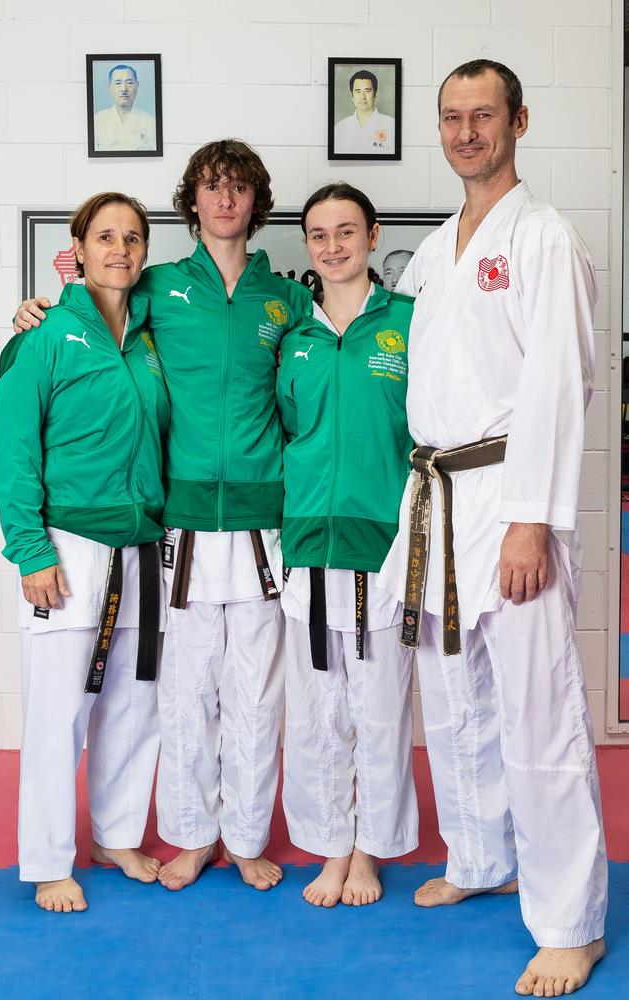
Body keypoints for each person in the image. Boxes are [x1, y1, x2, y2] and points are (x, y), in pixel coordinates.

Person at [14, 139, 312, 894]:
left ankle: (243, 838)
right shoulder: (156, 291)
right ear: (191, 203)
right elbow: (84, 318)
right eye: (210, 186)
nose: (224, 199)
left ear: (255, 201)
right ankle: (187, 836)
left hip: (254, 523)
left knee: (246, 695)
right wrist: (36, 311)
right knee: (179, 695)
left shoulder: (288, 300)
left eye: (238, 187)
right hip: (172, 527)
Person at [379, 59, 607, 996]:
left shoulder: (542, 236)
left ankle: (569, 921)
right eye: (452, 118)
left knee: (536, 705)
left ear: (518, 121)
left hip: (508, 491)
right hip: (436, 493)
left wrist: (530, 523)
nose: (466, 131)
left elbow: (559, 384)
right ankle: (481, 855)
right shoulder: (438, 248)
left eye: (484, 116)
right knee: (456, 695)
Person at [0, 192, 170, 913]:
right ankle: (46, 860)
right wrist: (31, 551)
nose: (119, 249)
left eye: (132, 237)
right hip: (68, 542)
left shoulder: (153, 332)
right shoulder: (46, 333)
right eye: (105, 236)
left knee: (134, 705)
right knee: (59, 708)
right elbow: (12, 453)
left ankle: (117, 834)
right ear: (79, 246)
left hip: (145, 541)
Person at [276, 183, 417, 908]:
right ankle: (332, 843)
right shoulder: (293, 337)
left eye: (346, 231)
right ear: (308, 246)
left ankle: (369, 849)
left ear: (372, 234)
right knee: (316, 711)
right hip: (306, 546)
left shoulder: (408, 324)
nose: (333, 246)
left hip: (382, 548)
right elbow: (290, 433)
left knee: (378, 708)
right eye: (319, 235)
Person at [94, 64, 156, 152]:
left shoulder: (150, 122)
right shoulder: (97, 121)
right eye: (118, 83)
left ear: (137, 86)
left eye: (130, 83)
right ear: (110, 87)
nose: (124, 89)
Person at [334, 70, 396, 155]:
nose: (362, 97)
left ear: (375, 94)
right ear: (352, 95)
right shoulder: (340, 128)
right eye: (358, 91)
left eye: (367, 91)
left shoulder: (392, 125)